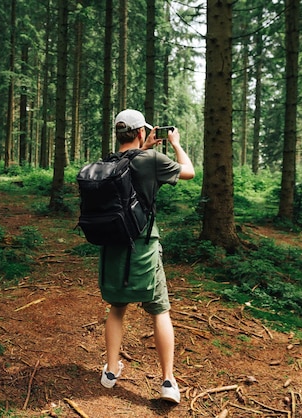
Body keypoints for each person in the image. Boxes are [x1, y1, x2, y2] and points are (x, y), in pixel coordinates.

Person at [99, 109, 195, 403]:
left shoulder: (107, 162)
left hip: (113, 245)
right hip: (143, 247)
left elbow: (129, 163)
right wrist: (176, 144)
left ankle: (111, 372)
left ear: (119, 134)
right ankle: (168, 381)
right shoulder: (152, 160)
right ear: (142, 132)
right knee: (160, 311)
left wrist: (143, 146)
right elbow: (188, 172)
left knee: (117, 309)